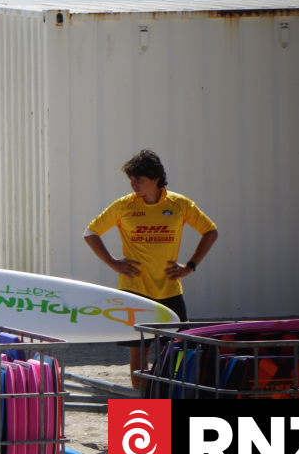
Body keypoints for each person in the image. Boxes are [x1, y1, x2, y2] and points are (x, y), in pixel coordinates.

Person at [83, 149, 218, 388]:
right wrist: (113, 262)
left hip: (169, 290)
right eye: (131, 179)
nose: (133, 184)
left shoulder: (179, 204)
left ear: (155, 179)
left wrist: (190, 266)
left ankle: (168, 399)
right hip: (133, 291)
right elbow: (90, 233)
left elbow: (210, 231)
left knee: (175, 352)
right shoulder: (124, 205)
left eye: (139, 180)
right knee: (139, 354)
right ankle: (144, 406)